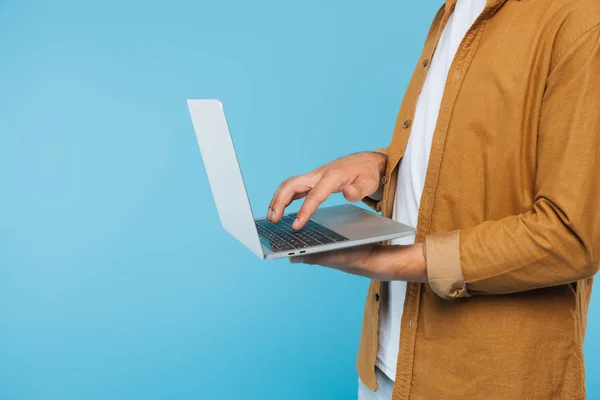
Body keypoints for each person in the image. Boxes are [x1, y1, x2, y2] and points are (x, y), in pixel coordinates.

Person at [266, 0, 600, 398]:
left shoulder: (581, 17)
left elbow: (572, 236)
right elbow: (463, 163)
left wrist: (387, 262)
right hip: (384, 368)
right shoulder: (452, 11)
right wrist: (379, 168)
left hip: (483, 382)